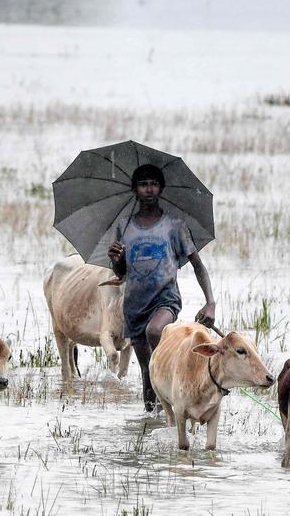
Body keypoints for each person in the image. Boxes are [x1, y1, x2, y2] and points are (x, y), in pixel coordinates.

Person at [108, 164, 216, 411]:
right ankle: (152, 426)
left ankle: (173, 371)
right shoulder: (124, 227)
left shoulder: (174, 226)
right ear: (135, 189)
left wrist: (210, 302)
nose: (149, 189)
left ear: (161, 189)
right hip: (134, 306)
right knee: (148, 375)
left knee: (154, 331)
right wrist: (116, 260)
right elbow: (121, 274)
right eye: (144, 184)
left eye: (154, 184)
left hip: (165, 300)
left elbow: (198, 265)